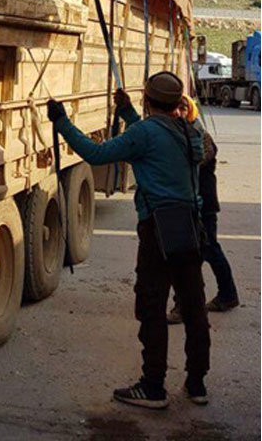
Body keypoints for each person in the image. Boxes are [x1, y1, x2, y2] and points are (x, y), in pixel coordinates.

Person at [46, 71, 210, 409]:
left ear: (148, 100)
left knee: (151, 307)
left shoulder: (145, 133)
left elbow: (95, 153)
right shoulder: (189, 129)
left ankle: (153, 387)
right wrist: (127, 113)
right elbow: (156, 140)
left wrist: (61, 121)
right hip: (190, 228)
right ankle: (197, 384)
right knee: (194, 307)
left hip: (157, 229)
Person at [168, 95, 239, 324]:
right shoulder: (180, 134)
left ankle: (220, 297)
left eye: (184, 107)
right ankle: (193, 302)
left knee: (206, 251)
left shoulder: (199, 135)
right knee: (192, 255)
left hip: (203, 206)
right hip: (189, 205)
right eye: (176, 107)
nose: (179, 112)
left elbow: (195, 161)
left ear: (191, 110)